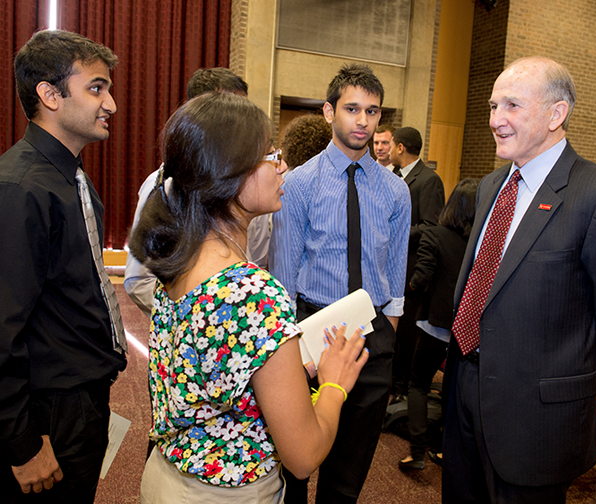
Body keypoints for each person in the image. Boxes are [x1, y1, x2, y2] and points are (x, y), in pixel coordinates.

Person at [129, 91, 369, 503]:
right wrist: (334, 385)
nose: (283, 167)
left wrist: (287, 369)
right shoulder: (251, 294)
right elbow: (304, 456)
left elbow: (213, 374)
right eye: (271, 156)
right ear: (231, 174)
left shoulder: (179, 257)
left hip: (168, 478)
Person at [441, 56, 596, 504]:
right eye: (493, 105)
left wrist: (568, 380)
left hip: (536, 417)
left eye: (512, 106)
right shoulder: (490, 186)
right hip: (463, 388)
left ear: (557, 114)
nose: (495, 120)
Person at [270, 64, 411, 504]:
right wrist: (292, 350)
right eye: (352, 109)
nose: (363, 121)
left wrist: (386, 331)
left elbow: (397, 272)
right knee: (295, 469)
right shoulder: (297, 185)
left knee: (346, 478)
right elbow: (282, 279)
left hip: (372, 338)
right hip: (309, 331)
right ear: (330, 112)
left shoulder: (395, 192)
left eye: (372, 111)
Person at [0, 30, 127, 503]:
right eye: (96, 88)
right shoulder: (22, 188)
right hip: (46, 415)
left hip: (80, 400)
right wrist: (21, 444)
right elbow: (1, 331)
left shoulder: (70, 178)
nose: (110, 103)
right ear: (49, 95)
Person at [124, 67, 272, 318]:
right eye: (229, 116)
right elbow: (138, 279)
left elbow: (256, 260)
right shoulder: (165, 186)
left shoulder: (251, 187)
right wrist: (200, 313)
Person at [398, 178, 478, 472]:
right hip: (466, 328)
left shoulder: (435, 235)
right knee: (452, 389)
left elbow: (421, 278)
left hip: (435, 324)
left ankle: (417, 452)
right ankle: (446, 450)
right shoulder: (480, 241)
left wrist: (411, 289)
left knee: (418, 384)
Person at [388, 126, 445, 400]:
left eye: (390, 146)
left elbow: (431, 226)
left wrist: (396, 230)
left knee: (407, 331)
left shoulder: (429, 180)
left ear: (400, 148)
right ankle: (389, 379)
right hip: (391, 265)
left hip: (412, 267)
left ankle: (401, 386)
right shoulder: (394, 176)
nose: (386, 151)